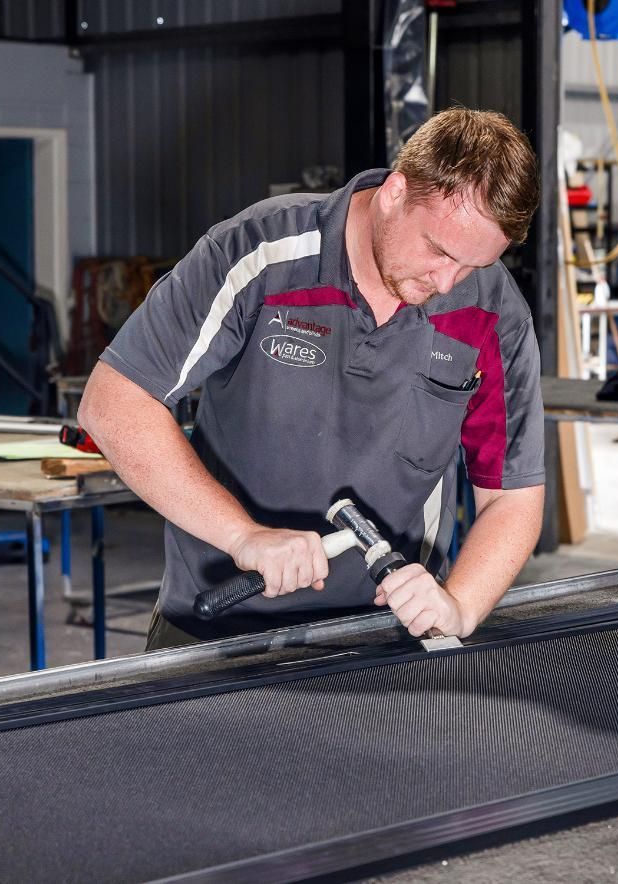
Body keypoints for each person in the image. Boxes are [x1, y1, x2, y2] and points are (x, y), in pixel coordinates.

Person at [78, 107, 546, 651]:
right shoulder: (259, 254)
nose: (448, 281)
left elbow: (511, 495)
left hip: (383, 637)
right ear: (395, 192)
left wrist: (460, 605)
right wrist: (244, 536)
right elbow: (113, 402)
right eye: (439, 251)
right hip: (216, 627)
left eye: (473, 265)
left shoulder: (492, 310)